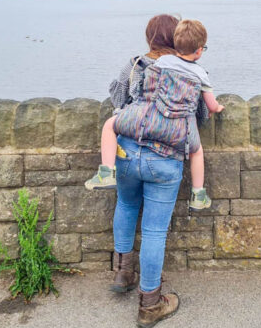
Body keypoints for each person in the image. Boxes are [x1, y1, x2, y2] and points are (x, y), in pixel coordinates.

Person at [111, 19, 222, 328]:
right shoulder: (190, 73)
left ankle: (122, 273)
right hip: (166, 157)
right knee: (155, 231)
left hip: (128, 147)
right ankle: (150, 304)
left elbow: (118, 101)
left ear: (149, 38)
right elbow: (201, 115)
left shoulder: (137, 65)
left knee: (126, 205)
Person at [85, 19, 222, 211]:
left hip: (135, 137)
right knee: (196, 151)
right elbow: (205, 111)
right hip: (171, 146)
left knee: (110, 126)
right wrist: (216, 108)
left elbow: (119, 98)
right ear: (199, 49)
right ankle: (198, 193)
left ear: (150, 39)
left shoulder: (143, 63)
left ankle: (106, 171)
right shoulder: (199, 73)